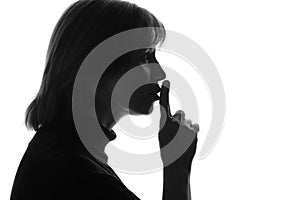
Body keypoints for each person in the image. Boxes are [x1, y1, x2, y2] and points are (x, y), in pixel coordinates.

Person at [10, 0, 199, 199]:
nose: (160, 73)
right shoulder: (80, 174)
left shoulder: (62, 152)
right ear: (96, 72)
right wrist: (177, 167)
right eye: (145, 57)